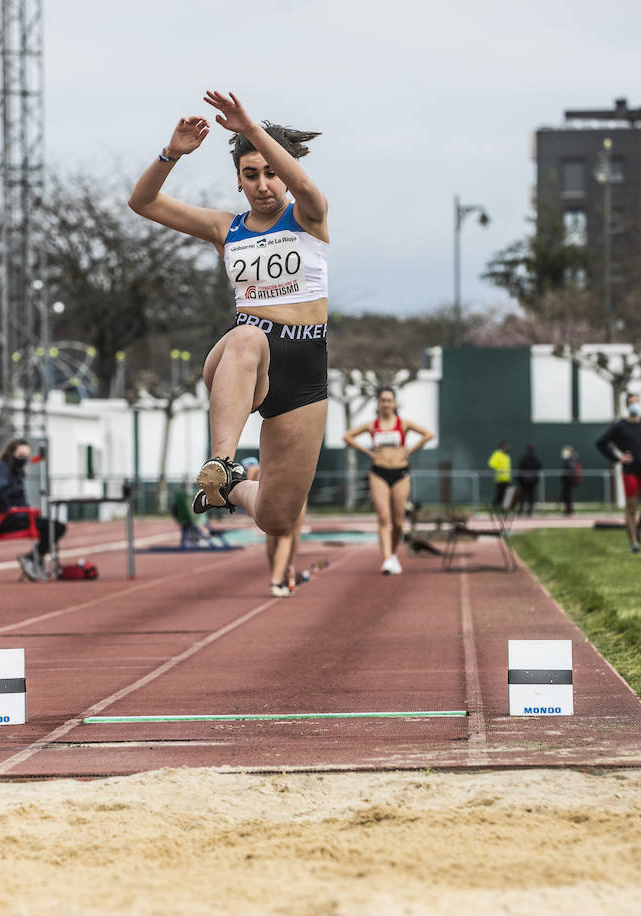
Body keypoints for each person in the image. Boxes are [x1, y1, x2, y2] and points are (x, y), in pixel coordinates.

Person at [128, 91, 328, 541]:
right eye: (250, 174)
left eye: (272, 174)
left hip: (306, 368)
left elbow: (308, 187)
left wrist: (250, 129)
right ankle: (221, 461)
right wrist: (170, 154)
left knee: (278, 520)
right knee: (247, 334)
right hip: (244, 360)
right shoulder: (226, 229)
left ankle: (231, 488)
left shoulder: (309, 216)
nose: (262, 185)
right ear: (238, 181)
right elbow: (143, 203)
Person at [342, 387, 435, 574]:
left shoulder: (403, 424)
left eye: (389, 400)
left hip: (400, 473)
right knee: (383, 518)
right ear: (378, 403)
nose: (385, 403)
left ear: (394, 403)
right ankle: (386, 559)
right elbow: (347, 437)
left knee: (398, 522)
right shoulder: (371, 425)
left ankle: (392, 555)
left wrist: (408, 451)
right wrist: (368, 452)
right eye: (382, 400)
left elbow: (428, 434)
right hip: (378, 473)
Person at [0, 438, 67, 581]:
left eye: (26, 457)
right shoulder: (2, 471)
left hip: (20, 517)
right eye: (21, 456)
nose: (24, 460)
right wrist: (10, 508)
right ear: (11, 453)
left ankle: (33, 557)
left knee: (57, 527)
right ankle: (33, 558)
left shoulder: (15, 471)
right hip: (7, 520)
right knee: (54, 527)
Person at [595, 393, 641, 554]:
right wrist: (617, 458)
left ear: (640, 404)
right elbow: (600, 443)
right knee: (631, 508)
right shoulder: (620, 426)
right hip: (630, 471)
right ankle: (634, 543)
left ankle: (638, 528)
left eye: (636, 402)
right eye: (631, 402)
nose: (634, 405)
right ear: (627, 406)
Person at [244, 457, 305, 596]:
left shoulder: (257, 467)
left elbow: (251, 479)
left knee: (272, 533)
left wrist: (250, 509)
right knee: (288, 535)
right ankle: (278, 579)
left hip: (270, 479)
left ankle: (278, 576)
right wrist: (291, 564)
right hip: (291, 479)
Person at [514, 443, 541, 517]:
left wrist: (519, 479)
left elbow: (520, 469)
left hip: (523, 481)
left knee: (522, 496)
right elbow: (538, 469)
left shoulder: (523, 458)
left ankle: (521, 511)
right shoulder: (535, 459)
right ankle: (530, 511)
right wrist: (536, 480)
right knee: (531, 496)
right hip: (532, 481)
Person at [487, 441, 512, 512]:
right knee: (499, 494)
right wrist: (499, 469)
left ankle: (502, 508)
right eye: (506, 447)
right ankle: (494, 507)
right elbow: (491, 463)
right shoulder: (497, 454)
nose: (507, 448)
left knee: (505, 495)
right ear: (502, 447)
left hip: (506, 478)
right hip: (500, 478)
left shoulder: (506, 455)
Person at [559, 446, 581, 516]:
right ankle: (568, 510)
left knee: (567, 496)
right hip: (566, 480)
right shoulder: (567, 461)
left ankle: (569, 510)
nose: (564, 453)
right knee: (566, 496)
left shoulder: (571, 460)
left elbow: (571, 470)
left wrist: (565, 473)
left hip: (569, 480)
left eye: (566, 452)